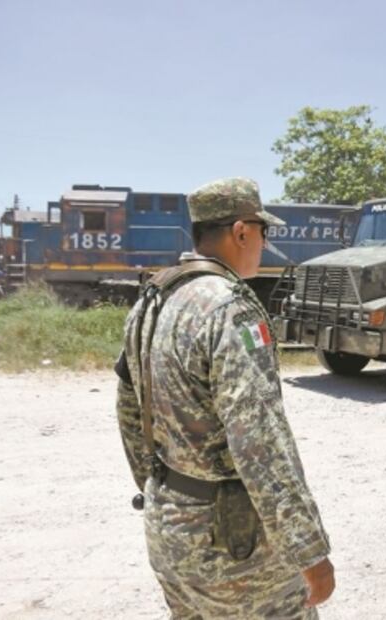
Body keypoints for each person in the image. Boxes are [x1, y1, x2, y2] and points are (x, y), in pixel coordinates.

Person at [115, 178, 334, 618]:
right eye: (263, 232)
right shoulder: (231, 309)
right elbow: (260, 441)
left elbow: (129, 408)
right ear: (240, 232)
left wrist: (158, 490)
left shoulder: (153, 299)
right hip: (235, 549)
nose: (264, 243)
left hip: (170, 532)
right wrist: (309, 550)